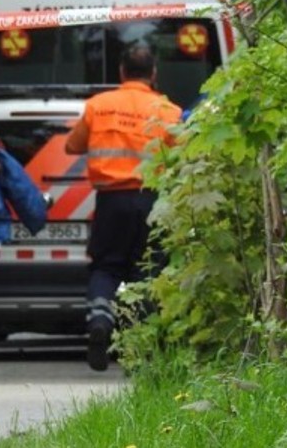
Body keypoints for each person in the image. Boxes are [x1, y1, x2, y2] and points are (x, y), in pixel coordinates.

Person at [64, 42, 182, 372]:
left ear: (121, 72)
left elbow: (72, 145)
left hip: (111, 201)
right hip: (151, 201)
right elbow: (184, 155)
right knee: (146, 271)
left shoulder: (98, 106)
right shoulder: (168, 111)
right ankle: (139, 344)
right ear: (154, 74)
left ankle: (100, 320)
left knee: (105, 267)